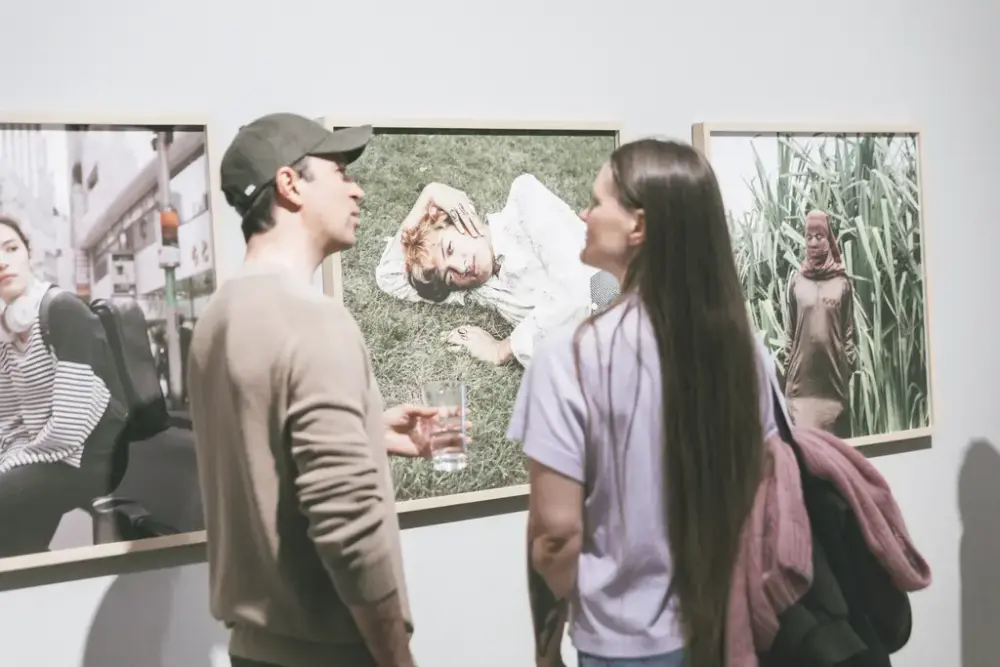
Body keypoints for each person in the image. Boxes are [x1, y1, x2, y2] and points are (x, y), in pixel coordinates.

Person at [190, 112, 461, 667]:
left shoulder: (218, 316)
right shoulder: (313, 320)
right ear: (290, 185)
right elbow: (346, 519)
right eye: (339, 171)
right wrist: (395, 654)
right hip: (331, 652)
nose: (357, 188)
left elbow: (260, 444)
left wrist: (366, 430)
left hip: (255, 649)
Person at [507, 139, 776, 667]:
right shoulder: (745, 351)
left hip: (622, 645)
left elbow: (554, 535)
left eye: (597, 201)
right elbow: (766, 486)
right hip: (734, 632)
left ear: (639, 226)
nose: (583, 214)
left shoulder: (569, 356)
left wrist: (547, 648)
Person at [374, 173, 620, 368]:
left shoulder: (526, 200)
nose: (460, 267)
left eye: (449, 248)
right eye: (448, 276)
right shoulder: (476, 289)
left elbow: (586, 289)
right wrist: (429, 195)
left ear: (458, 219)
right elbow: (389, 277)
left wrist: (501, 349)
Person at [0, 214, 128, 557]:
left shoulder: (63, 311)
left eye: (10, 248)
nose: (2, 261)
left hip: (89, 455)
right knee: (14, 542)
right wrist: (10, 456)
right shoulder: (6, 331)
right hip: (47, 455)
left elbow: (70, 427)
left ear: (29, 255)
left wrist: (12, 463)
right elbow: (9, 418)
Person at [782, 209, 856, 438]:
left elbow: (848, 334)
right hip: (800, 391)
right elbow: (790, 331)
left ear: (828, 238)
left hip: (832, 392)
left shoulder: (842, 283)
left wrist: (846, 365)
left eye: (819, 236)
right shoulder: (796, 282)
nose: (814, 242)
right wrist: (788, 364)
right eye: (809, 236)